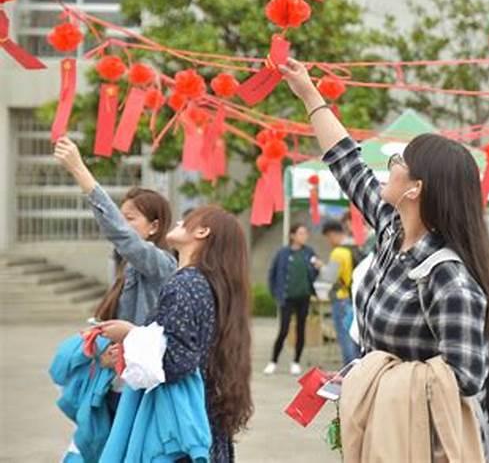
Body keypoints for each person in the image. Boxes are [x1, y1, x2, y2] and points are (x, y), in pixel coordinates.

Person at [280, 59, 489, 446]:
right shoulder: (391, 232)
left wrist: (378, 374)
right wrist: (308, 93)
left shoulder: (449, 277)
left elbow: (467, 377)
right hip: (379, 427)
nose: (389, 166)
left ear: (415, 188)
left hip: (419, 443)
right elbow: (347, 161)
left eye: (399, 161)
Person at [99, 206, 253, 461]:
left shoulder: (184, 283)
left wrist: (130, 335)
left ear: (202, 232)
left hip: (178, 427)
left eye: (187, 220)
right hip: (204, 418)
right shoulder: (212, 285)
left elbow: (176, 360)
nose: (180, 221)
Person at [53, 136, 176, 382]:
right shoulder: (126, 263)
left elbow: (121, 235)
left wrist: (80, 171)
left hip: (140, 382)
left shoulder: (162, 264)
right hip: (117, 379)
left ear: (154, 226)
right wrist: (103, 355)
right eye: (121, 217)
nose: (122, 224)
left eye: (129, 219)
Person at [264, 224, 321, 376]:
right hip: (286, 298)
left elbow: (313, 275)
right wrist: (275, 293)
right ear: (292, 235)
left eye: (305, 233)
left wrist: (317, 268)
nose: (304, 236)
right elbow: (272, 274)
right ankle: (273, 361)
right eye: (301, 233)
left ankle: (296, 361)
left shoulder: (309, 252)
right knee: (283, 330)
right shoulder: (282, 253)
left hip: (304, 297)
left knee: (301, 330)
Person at [322, 220, 359, 365]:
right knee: (354, 338)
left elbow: (329, 278)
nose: (329, 241)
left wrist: (321, 267)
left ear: (333, 234)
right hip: (354, 298)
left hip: (341, 298)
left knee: (345, 339)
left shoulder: (338, 252)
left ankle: (348, 372)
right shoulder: (356, 248)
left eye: (328, 237)